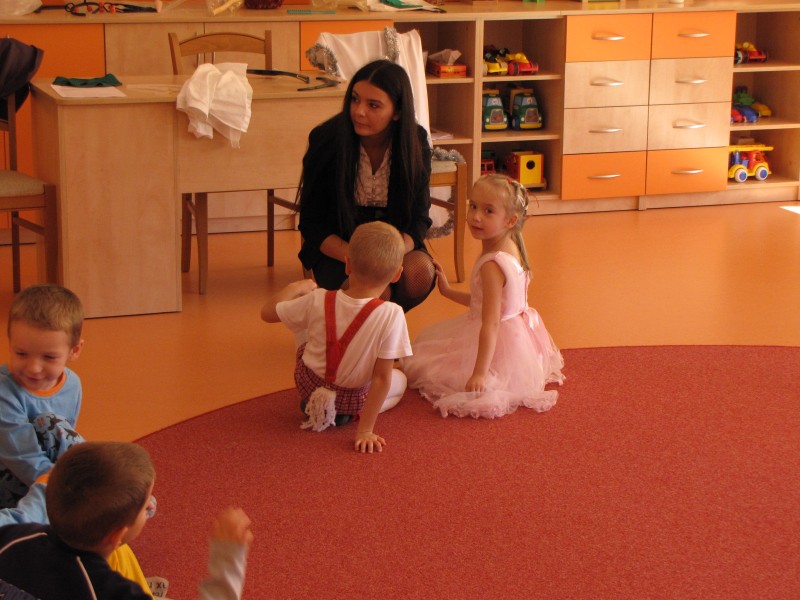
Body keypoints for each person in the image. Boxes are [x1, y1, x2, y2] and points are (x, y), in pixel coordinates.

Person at [0, 441, 253, 599]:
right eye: (145, 507)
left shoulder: (16, 537)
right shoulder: (112, 591)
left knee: (121, 554)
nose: (151, 506)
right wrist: (228, 556)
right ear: (116, 535)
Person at [402, 175, 565, 418]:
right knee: (427, 354)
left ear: (510, 220)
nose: (476, 216)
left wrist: (478, 373)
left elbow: (491, 323)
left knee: (425, 363)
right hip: (517, 337)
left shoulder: (492, 266)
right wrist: (448, 292)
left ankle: (486, 375)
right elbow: (487, 303)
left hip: (497, 341)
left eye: (489, 211)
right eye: (474, 206)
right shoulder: (511, 245)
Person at [296, 59, 435, 313]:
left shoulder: (414, 141)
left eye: (373, 105)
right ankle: (368, 328)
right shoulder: (326, 139)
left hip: (392, 243)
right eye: (355, 99)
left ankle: (378, 325)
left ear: (397, 111)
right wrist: (358, 256)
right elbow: (312, 222)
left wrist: (389, 256)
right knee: (376, 290)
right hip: (341, 245)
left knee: (420, 272)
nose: (359, 111)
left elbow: (419, 219)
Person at [262, 222, 412, 453]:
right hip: (350, 400)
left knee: (304, 316)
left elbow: (267, 313)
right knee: (399, 380)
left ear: (348, 264)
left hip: (308, 386)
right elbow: (382, 379)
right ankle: (350, 415)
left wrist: (295, 287)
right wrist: (365, 431)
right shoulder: (392, 314)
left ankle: (318, 407)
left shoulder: (318, 298)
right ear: (397, 275)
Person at [0, 284, 85, 508]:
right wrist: (70, 489)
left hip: (45, 479)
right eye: (21, 354)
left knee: (55, 427)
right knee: (48, 422)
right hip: (13, 478)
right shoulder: (3, 390)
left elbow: (65, 440)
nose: (33, 368)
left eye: (48, 357)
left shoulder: (72, 384)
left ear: (74, 350)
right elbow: (22, 457)